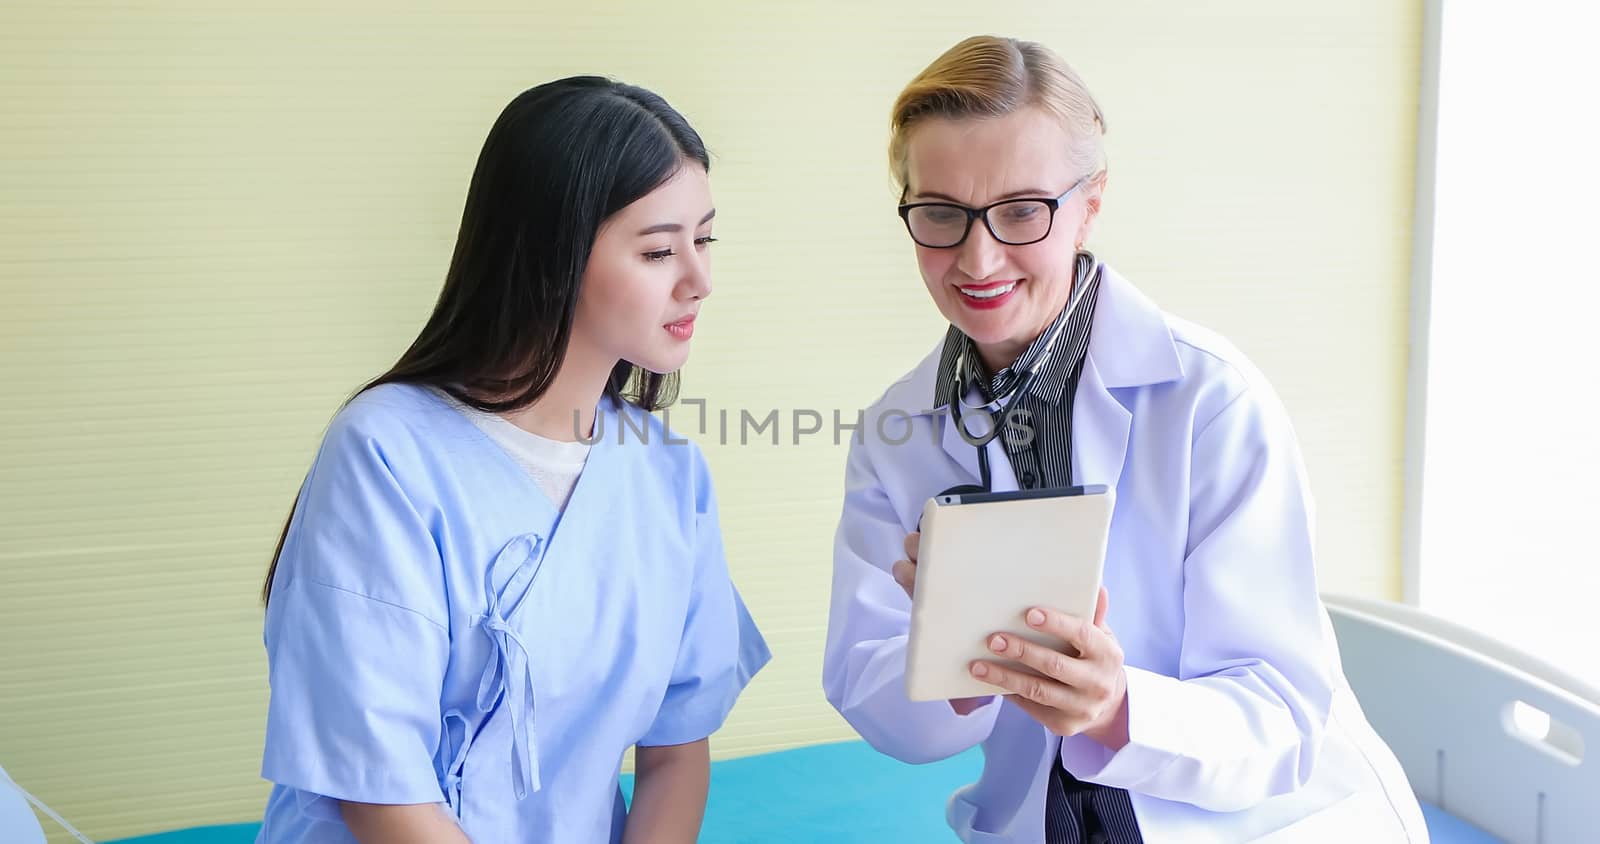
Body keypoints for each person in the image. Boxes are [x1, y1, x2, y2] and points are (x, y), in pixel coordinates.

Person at [821, 35, 1428, 843]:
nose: (978, 255)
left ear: (1091, 204)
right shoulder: (898, 432)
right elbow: (867, 685)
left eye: (1021, 211)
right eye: (940, 213)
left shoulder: (1210, 400)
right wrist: (958, 664)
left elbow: (1281, 713)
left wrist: (1117, 709)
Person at [254, 76, 769, 844]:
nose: (699, 279)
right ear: (553, 255)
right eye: (660, 249)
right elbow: (379, 792)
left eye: (705, 239)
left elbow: (675, 751)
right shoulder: (385, 454)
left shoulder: (668, 475)